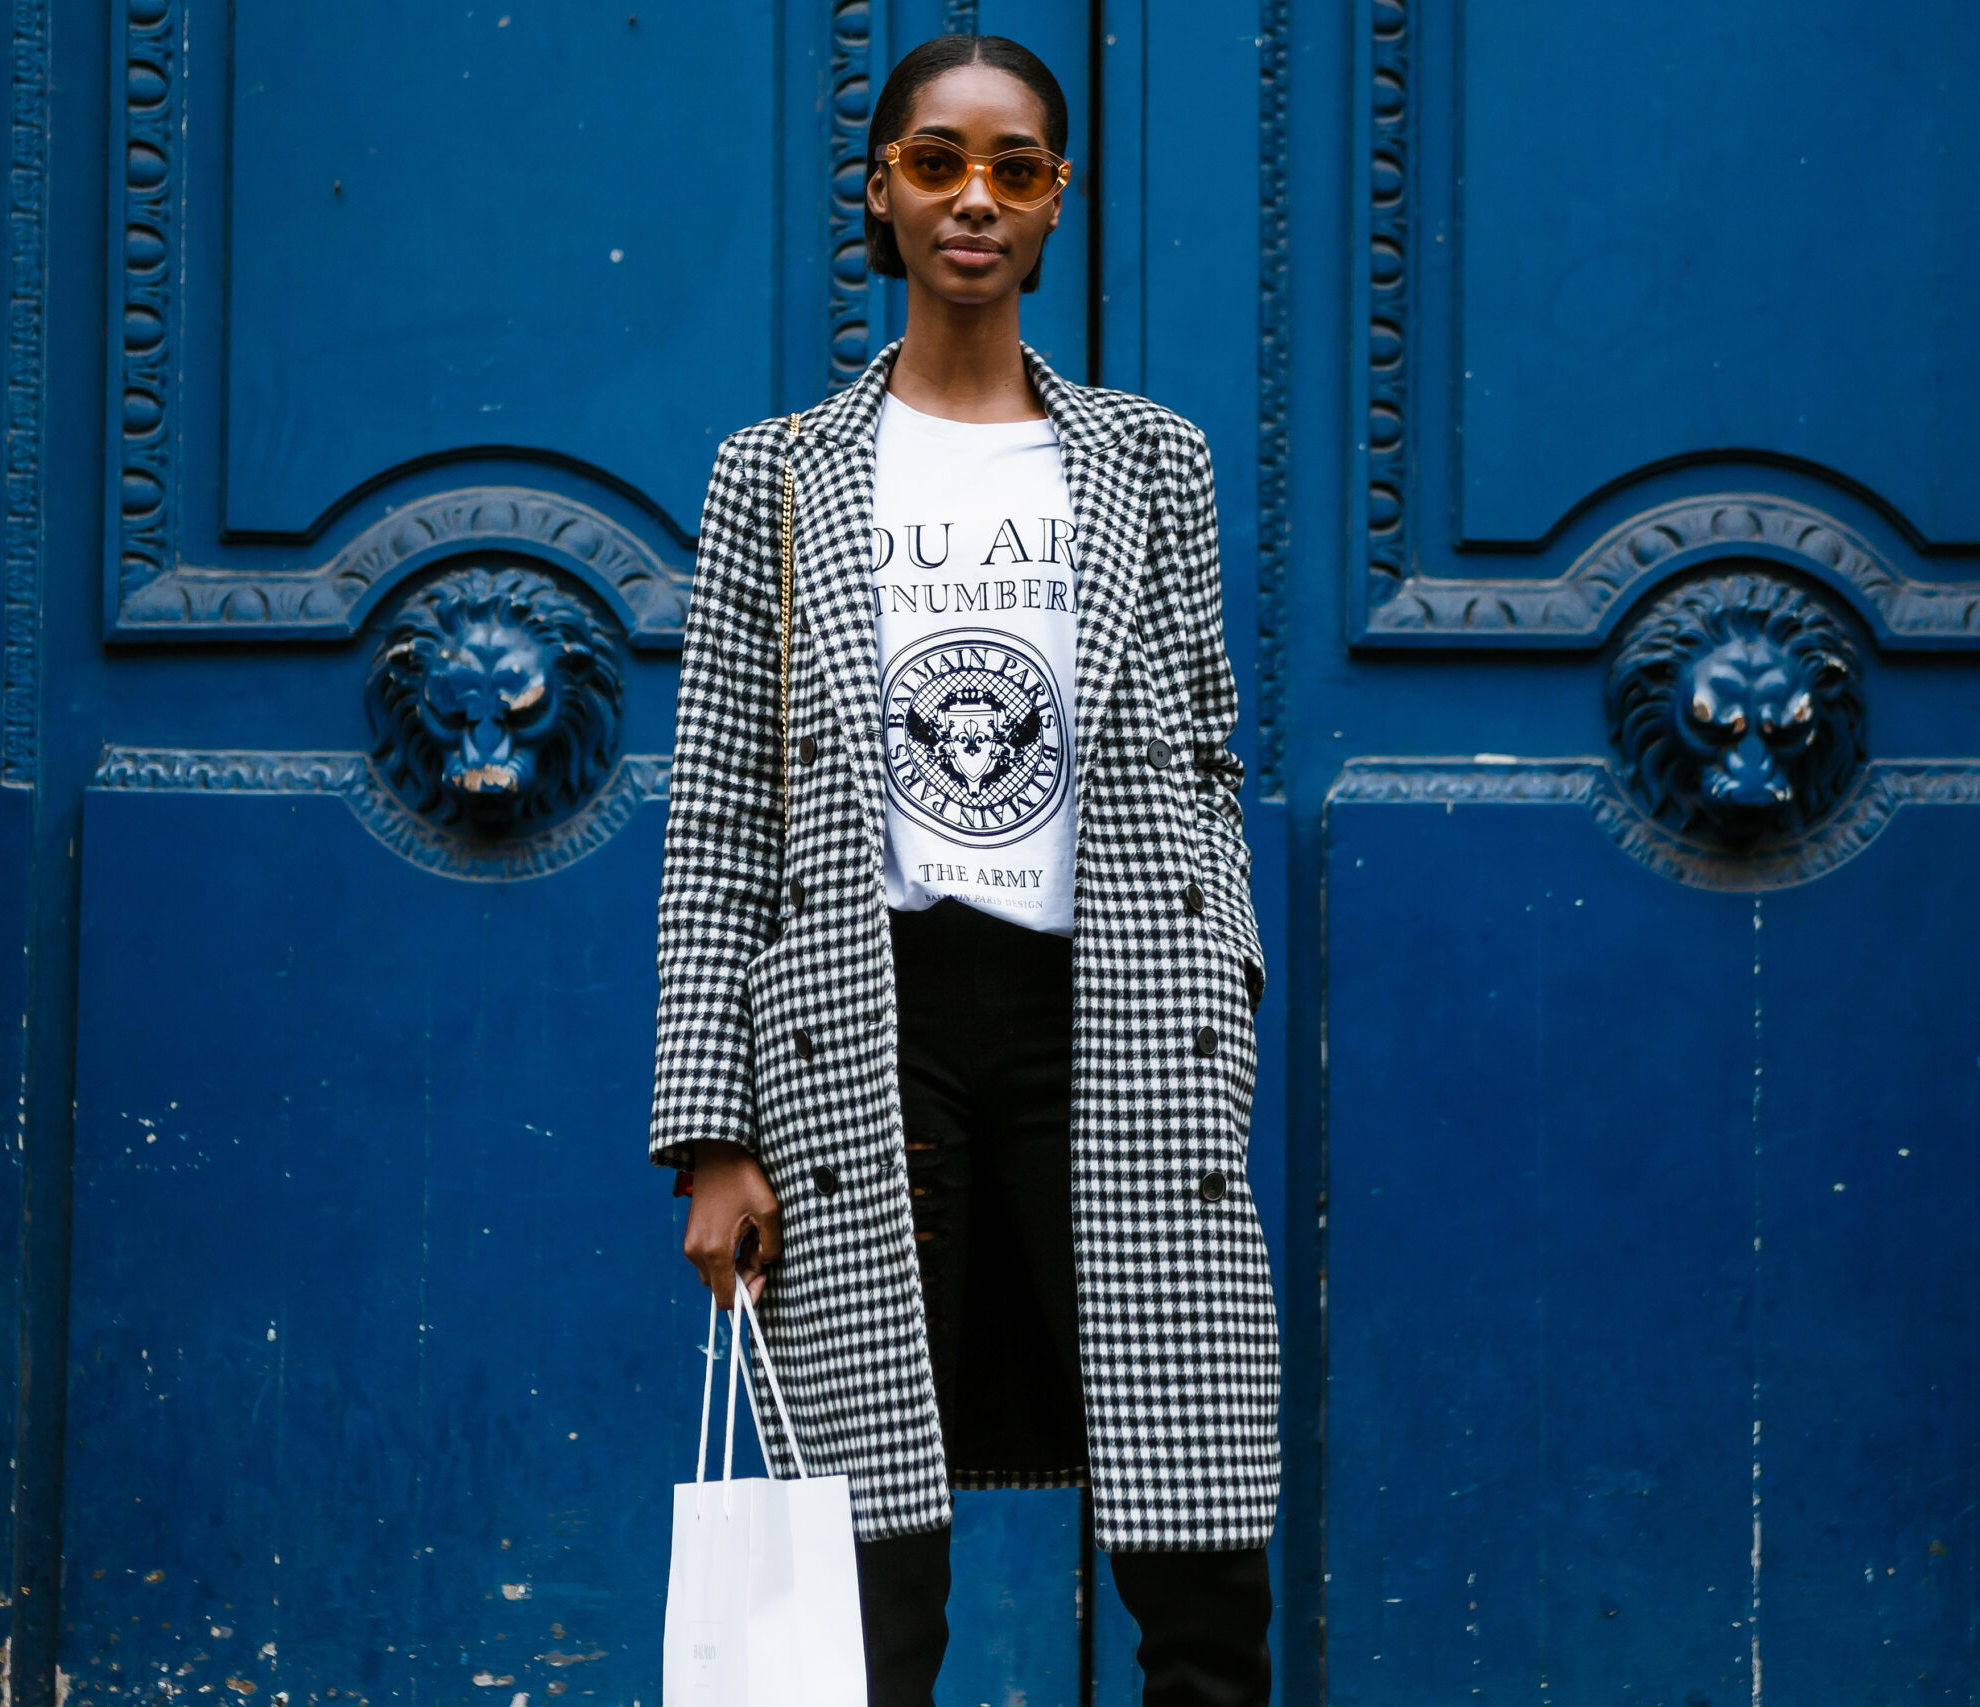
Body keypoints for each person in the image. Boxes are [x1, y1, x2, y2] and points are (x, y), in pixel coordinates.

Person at [649, 33, 1276, 1707]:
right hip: (866, 1018)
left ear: (1060, 200)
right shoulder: (774, 476)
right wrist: (713, 1136)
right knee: (868, 1567)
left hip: (1119, 1010)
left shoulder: (1158, 460)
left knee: (1198, 1533)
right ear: (882, 189)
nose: (975, 200)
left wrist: (1227, 998)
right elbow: (719, 820)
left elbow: (1206, 759)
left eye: (1015, 167)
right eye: (937, 162)